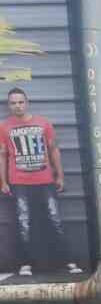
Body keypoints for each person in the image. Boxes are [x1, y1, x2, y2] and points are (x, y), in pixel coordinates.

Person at [0, 88, 81, 276]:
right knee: (23, 222)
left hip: (45, 180)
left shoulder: (43, 123)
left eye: (20, 102)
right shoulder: (4, 127)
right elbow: (2, 155)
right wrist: (3, 181)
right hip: (19, 182)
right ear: (9, 105)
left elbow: (54, 150)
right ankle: (25, 263)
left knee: (55, 219)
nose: (17, 106)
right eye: (13, 103)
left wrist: (60, 175)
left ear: (27, 103)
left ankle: (69, 261)